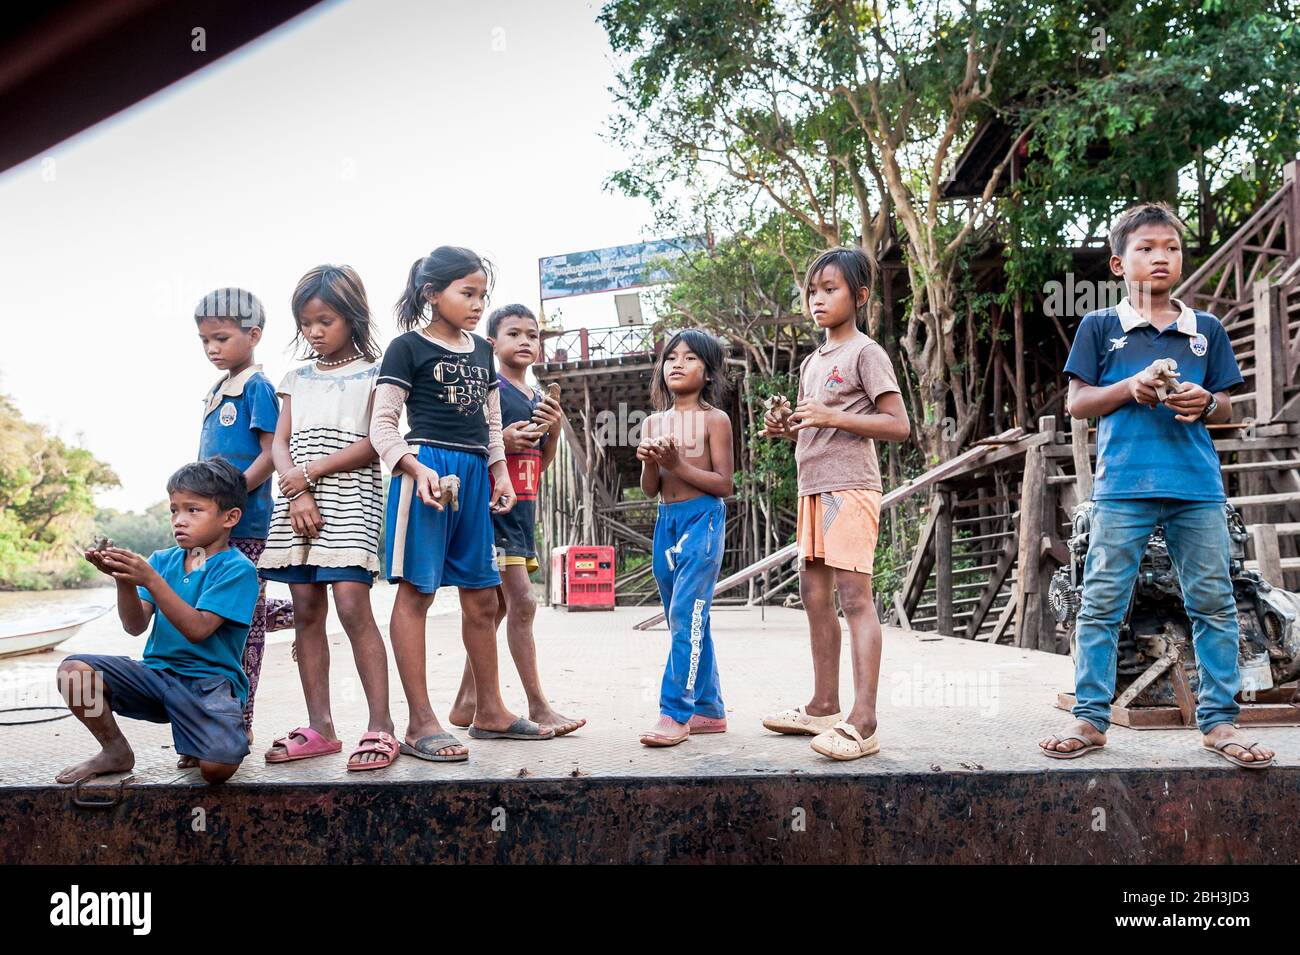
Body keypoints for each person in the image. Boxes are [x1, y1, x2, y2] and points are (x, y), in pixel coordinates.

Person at [1040, 201, 1275, 769]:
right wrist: (1132, 386)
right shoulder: (1100, 327)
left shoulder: (1206, 331)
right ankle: (1091, 719)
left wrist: (1207, 403)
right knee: (1100, 603)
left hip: (1197, 485)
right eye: (1145, 249)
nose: (1160, 258)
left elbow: (1228, 407)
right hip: (1122, 486)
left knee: (1215, 604)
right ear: (1119, 265)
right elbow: (1078, 403)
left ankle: (1220, 723)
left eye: (1170, 248)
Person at [370, 245, 554, 763]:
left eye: (482, 295)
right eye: (467, 293)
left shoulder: (480, 350)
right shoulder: (406, 348)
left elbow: (492, 423)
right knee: (416, 595)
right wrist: (416, 469)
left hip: (477, 475)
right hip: (427, 472)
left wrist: (499, 472)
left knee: (482, 598)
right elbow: (382, 426)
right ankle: (420, 720)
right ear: (433, 293)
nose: (477, 305)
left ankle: (490, 711)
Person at [759, 247, 910, 761]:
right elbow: (817, 423)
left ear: (860, 296)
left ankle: (863, 721)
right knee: (814, 597)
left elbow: (897, 425)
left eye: (831, 289)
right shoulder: (812, 362)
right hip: (813, 488)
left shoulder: (867, 353)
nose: (818, 299)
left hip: (850, 488)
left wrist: (831, 417)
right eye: (813, 290)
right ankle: (824, 705)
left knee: (855, 600)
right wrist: (789, 427)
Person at [258, 265, 399, 771]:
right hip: (298, 501)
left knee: (352, 603)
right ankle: (320, 727)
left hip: (351, 497)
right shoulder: (295, 378)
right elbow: (279, 441)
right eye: (305, 323)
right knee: (306, 609)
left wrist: (311, 474)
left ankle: (381, 726)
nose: (314, 332)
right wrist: (296, 489)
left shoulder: (376, 373)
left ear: (352, 317)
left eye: (325, 320)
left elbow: (374, 442)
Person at [56, 458, 260, 785]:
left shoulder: (236, 569)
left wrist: (150, 580)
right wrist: (124, 579)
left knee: (216, 770)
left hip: (208, 685)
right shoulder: (163, 561)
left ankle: (204, 735)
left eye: (193, 510)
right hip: (156, 676)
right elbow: (134, 625)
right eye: (174, 510)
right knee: (74, 672)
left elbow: (198, 629)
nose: (179, 520)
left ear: (230, 517)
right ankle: (115, 751)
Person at [448, 304, 585, 737]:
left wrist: (555, 429)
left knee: (502, 606)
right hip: (493, 509)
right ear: (492, 343)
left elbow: (541, 462)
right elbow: (468, 445)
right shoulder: (488, 388)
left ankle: (467, 699)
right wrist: (501, 439)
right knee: (522, 601)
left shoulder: (537, 397)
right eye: (513, 333)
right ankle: (538, 705)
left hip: (523, 509)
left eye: (532, 334)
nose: (525, 341)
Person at [194, 287, 285, 751]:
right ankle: (205, 720)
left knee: (245, 628)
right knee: (205, 620)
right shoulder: (215, 390)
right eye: (205, 340)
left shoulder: (257, 387)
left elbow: (271, 453)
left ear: (253, 335)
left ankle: (240, 722)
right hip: (205, 531)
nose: (212, 348)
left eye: (222, 338)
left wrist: (229, 497)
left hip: (243, 527)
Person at [636, 329, 734, 747]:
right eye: (671, 357)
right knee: (694, 615)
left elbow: (723, 483)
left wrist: (677, 462)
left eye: (690, 358)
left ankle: (674, 712)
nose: (677, 363)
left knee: (685, 615)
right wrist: (649, 462)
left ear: (708, 373)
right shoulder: (653, 422)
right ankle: (709, 710)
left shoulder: (715, 420)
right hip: (666, 522)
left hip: (703, 521)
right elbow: (650, 488)